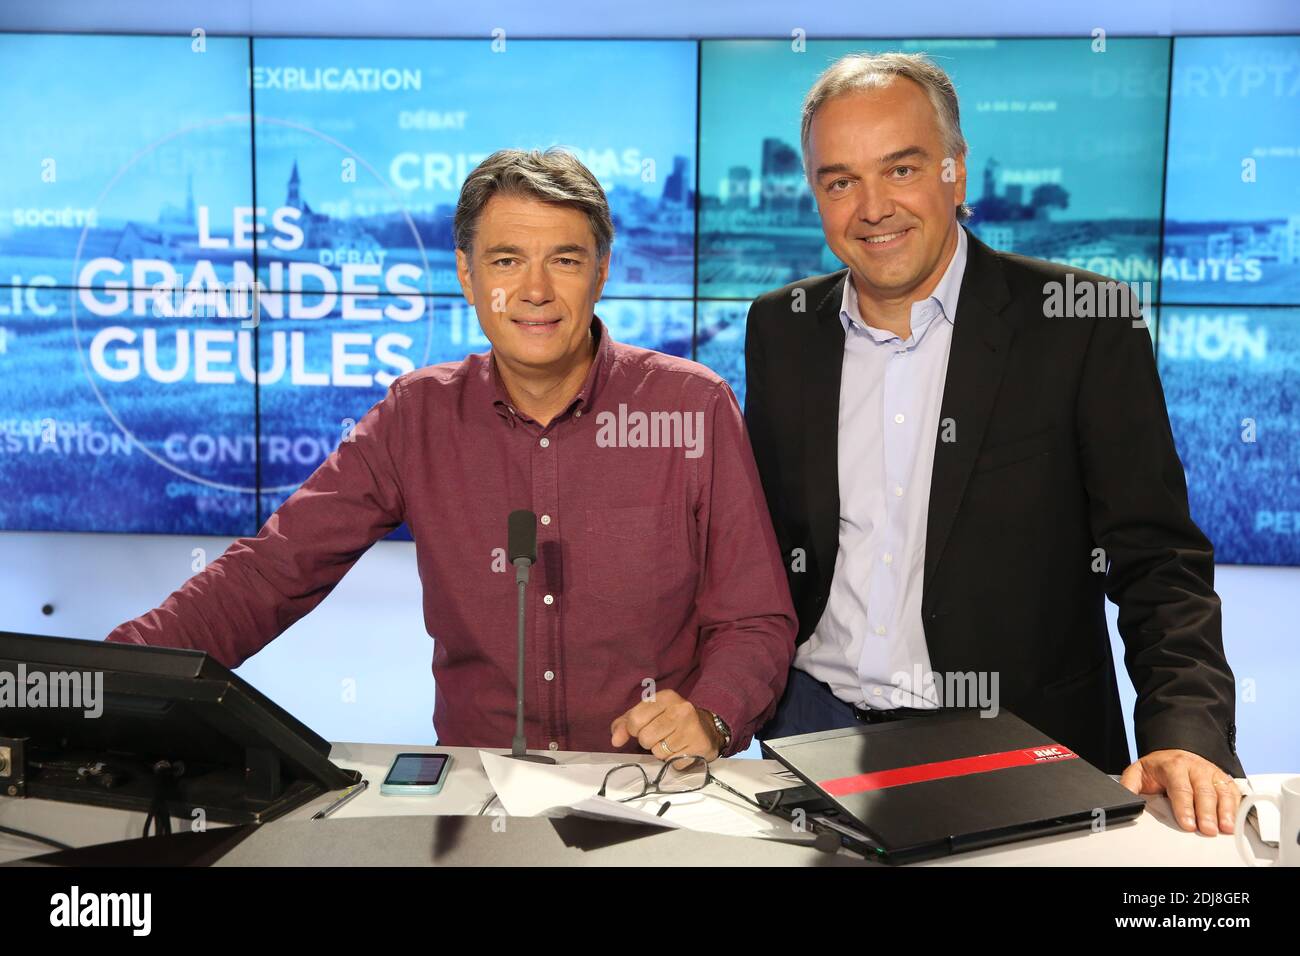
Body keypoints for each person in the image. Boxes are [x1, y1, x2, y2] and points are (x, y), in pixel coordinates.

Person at [108, 147, 796, 761]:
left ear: (601, 271)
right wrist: (106, 676)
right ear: (467, 275)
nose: (534, 291)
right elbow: (268, 574)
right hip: (479, 793)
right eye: (506, 261)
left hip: (651, 790)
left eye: (564, 259)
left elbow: (756, 618)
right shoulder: (417, 414)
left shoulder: (692, 406)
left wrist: (710, 714)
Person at [743, 52, 1245, 835]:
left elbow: (1158, 561)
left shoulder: (1081, 321)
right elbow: (763, 550)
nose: (872, 207)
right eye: (839, 180)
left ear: (955, 170)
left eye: (901, 169)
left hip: (1019, 744)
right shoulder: (781, 328)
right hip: (814, 731)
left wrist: (1187, 735)